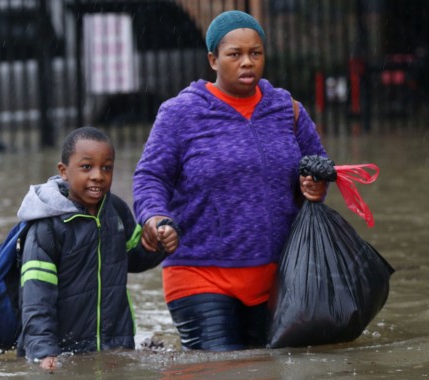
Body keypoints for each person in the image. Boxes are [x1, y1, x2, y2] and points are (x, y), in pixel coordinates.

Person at [132, 10, 328, 351]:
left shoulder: (288, 109)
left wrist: (315, 186)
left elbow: (319, 167)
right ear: (213, 59)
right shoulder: (181, 113)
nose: (247, 63)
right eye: (234, 54)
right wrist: (154, 217)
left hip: (277, 277)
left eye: (255, 53)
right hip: (200, 274)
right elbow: (151, 177)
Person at [17, 126, 179, 370]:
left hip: (116, 345)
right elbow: (36, 297)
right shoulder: (47, 227)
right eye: (86, 167)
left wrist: (159, 245)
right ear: (64, 171)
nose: (98, 176)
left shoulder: (116, 211)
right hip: (63, 353)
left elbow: (134, 258)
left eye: (107, 167)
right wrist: (43, 351)